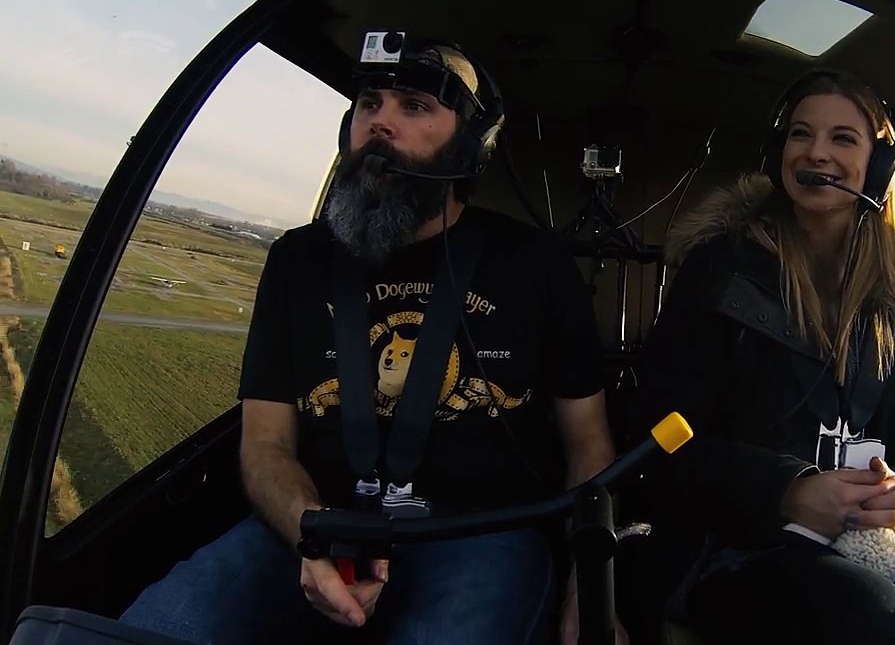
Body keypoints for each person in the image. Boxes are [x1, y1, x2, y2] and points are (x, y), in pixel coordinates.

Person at [119, 33, 626, 645]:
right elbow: (265, 443)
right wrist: (311, 529)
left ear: (469, 146)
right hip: (314, 523)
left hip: (480, 536)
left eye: (413, 107)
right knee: (165, 625)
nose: (380, 122)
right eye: (369, 103)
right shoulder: (295, 260)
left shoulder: (537, 265)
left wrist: (588, 593)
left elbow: (588, 444)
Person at [627, 68, 895, 644]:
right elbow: (656, 427)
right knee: (865, 613)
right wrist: (786, 489)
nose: (817, 153)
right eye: (800, 135)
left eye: (843, 138)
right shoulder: (721, 268)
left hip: (875, 536)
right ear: (777, 152)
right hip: (736, 539)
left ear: (879, 166)